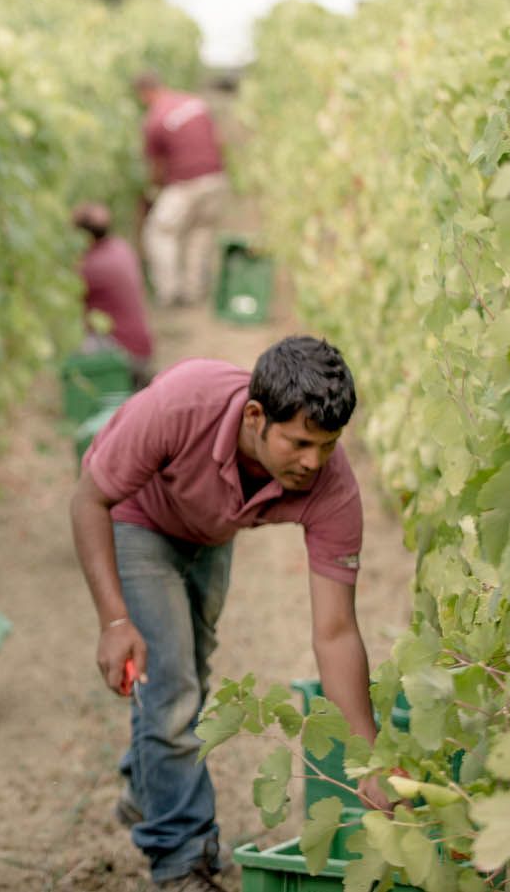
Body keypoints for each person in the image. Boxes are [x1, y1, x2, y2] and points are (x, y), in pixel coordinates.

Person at [69, 336, 389, 891]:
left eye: (328, 445)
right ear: (255, 416)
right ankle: (182, 861)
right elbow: (88, 498)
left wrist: (371, 756)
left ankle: (150, 790)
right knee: (172, 691)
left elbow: (336, 633)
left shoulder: (330, 485)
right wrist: (114, 620)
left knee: (188, 679)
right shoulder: (181, 405)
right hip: (135, 518)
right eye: (299, 443)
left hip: (210, 533)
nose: (313, 462)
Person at [134, 70, 226, 308]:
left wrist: (153, 191)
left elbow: (157, 166)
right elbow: (218, 140)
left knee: (160, 232)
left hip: (185, 183)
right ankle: (194, 290)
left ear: (145, 94)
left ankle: (169, 291)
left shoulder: (154, 120)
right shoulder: (195, 103)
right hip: (215, 177)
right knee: (200, 232)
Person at [73, 202, 155, 390]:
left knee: (74, 354)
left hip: (125, 354)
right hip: (142, 347)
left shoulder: (89, 268)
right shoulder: (120, 247)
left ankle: (112, 389)